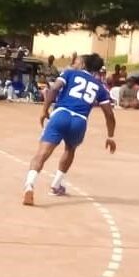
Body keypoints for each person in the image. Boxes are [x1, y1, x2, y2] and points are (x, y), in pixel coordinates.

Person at [23, 53, 116, 206]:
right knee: (70, 149)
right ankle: (56, 185)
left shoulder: (70, 73)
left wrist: (44, 110)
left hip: (62, 114)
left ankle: (29, 185)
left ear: (84, 65)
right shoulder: (100, 87)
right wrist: (110, 136)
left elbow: (54, 89)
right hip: (80, 120)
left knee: (42, 153)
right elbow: (109, 114)